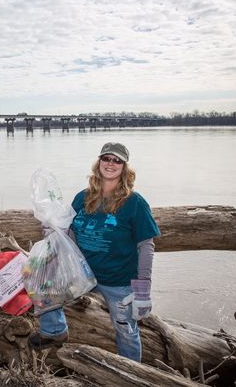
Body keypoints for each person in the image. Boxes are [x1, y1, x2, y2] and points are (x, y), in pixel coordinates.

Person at [28, 142, 160, 362]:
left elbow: (146, 246)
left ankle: (130, 373)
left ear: (125, 168)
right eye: (106, 158)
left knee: (126, 331)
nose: (111, 164)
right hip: (82, 273)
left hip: (118, 281)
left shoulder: (135, 203)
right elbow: (66, 229)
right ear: (99, 163)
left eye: (117, 160)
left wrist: (143, 291)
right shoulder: (83, 197)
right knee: (43, 278)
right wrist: (53, 228)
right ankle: (54, 331)